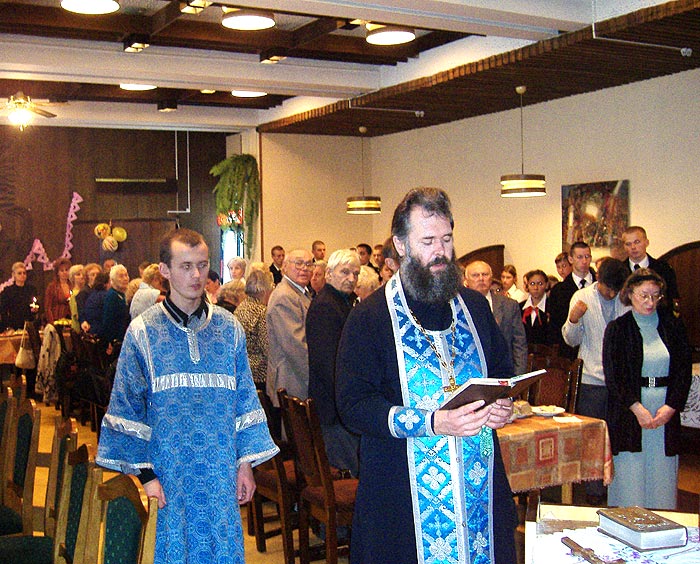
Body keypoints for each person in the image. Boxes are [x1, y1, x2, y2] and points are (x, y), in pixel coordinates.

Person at [336, 187, 517, 564]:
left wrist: (503, 403)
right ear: (401, 245)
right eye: (428, 241)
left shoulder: (474, 307)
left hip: (479, 483)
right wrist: (433, 422)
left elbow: (501, 370)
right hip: (402, 493)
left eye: (447, 239)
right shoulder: (370, 317)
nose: (441, 252)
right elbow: (353, 406)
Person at [97, 228, 278, 564]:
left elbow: (245, 400)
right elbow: (126, 407)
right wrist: (146, 476)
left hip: (220, 473)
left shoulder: (229, 328)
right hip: (168, 477)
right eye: (186, 266)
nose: (196, 275)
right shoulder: (143, 332)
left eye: (202, 265)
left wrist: (245, 464)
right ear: (165, 270)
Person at [602, 268, 691, 509]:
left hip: (664, 410)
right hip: (630, 412)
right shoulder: (618, 329)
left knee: (662, 477)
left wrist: (671, 407)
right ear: (630, 294)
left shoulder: (673, 327)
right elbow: (614, 376)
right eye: (644, 295)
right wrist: (636, 408)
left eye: (655, 296)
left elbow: (683, 372)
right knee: (630, 478)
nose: (650, 302)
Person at [562, 257, 630, 504]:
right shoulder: (582, 297)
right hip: (592, 380)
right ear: (598, 279)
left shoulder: (625, 299)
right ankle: (593, 491)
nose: (611, 294)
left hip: (619, 380)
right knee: (593, 439)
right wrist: (573, 319)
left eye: (616, 289)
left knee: (618, 435)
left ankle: (619, 488)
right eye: (608, 288)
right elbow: (571, 340)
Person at [307, 249, 360, 476]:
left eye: (355, 274)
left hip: (339, 404)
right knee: (347, 472)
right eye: (345, 272)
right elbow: (327, 364)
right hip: (334, 407)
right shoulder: (326, 305)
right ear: (329, 274)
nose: (351, 278)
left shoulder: (341, 301)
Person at [265, 249, 313, 435]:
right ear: (284, 267)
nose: (304, 268)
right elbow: (296, 347)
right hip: (292, 378)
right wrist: (315, 379)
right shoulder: (285, 296)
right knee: (298, 440)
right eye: (298, 263)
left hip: (296, 377)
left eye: (308, 264)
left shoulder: (300, 292)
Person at [465, 260, 528, 375]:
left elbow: (519, 343)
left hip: (502, 372)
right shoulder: (459, 306)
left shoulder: (509, 305)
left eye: (485, 274)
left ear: (491, 278)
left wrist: (518, 376)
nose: (481, 278)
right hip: (470, 373)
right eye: (475, 275)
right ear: (466, 280)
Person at [549, 241, 596, 359]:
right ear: (571, 259)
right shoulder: (558, 290)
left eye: (587, 257)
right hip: (569, 352)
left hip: (596, 349)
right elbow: (555, 325)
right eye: (579, 257)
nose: (584, 261)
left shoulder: (600, 285)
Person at [621, 226, 680, 311]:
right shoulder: (619, 271)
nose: (633, 247)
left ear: (647, 242)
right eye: (628, 244)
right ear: (624, 247)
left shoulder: (663, 268)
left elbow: (672, 297)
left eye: (637, 242)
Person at [234, 269, 274, 391]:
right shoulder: (262, 312)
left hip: (242, 368)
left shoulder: (241, 307)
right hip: (259, 373)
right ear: (264, 290)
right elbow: (267, 347)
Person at [0, 262, 38, 330]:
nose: (22, 275)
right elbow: (3, 311)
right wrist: (8, 326)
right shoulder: (8, 291)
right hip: (13, 326)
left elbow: (36, 305)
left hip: (29, 325)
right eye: (19, 273)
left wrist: (35, 309)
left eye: (24, 273)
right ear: (13, 275)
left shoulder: (31, 290)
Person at [99, 263, 130, 346]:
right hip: (116, 342)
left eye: (126, 275)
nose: (125, 278)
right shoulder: (112, 296)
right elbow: (108, 322)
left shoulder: (121, 294)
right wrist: (111, 342)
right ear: (113, 280)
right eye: (121, 276)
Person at [520, 269, 552, 346]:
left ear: (546, 285)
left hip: (547, 351)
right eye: (532, 284)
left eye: (540, 284)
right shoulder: (519, 307)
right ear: (527, 285)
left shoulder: (552, 306)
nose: (536, 287)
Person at [44, 257, 72, 323]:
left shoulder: (72, 285)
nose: (64, 272)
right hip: (56, 319)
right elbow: (48, 307)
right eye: (62, 270)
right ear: (57, 273)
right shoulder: (52, 287)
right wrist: (52, 322)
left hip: (70, 320)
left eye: (66, 270)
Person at [67, 264, 86, 333]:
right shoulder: (74, 294)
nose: (81, 276)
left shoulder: (85, 292)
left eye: (83, 274)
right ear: (73, 278)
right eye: (78, 275)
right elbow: (76, 314)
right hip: (78, 328)